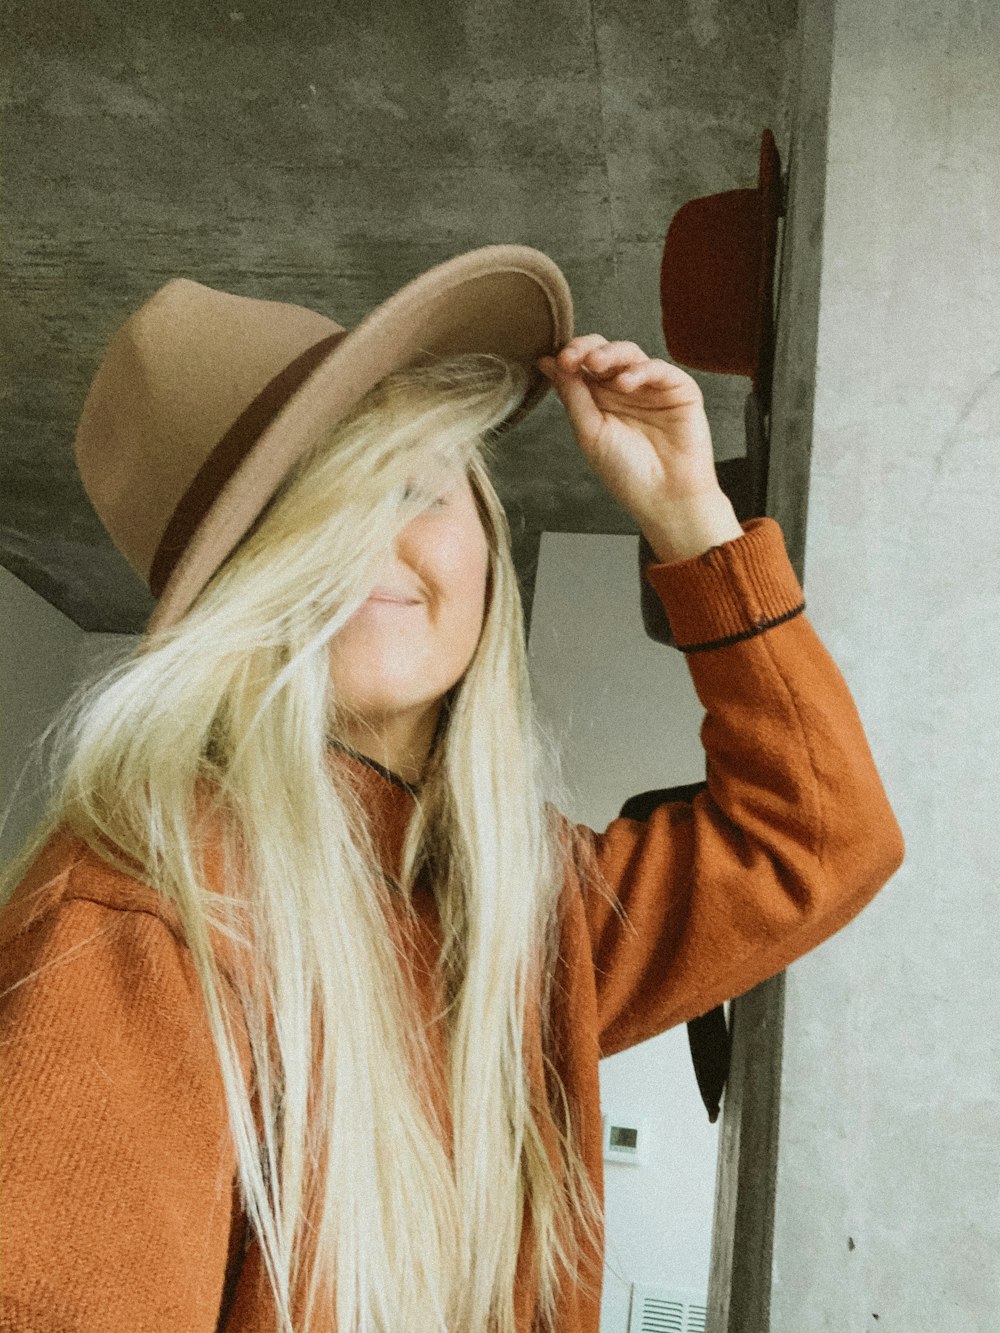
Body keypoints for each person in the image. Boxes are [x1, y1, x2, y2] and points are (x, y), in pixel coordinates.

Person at [0, 275, 905, 1333]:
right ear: (226, 602)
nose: (365, 550)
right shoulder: (141, 924)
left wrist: (692, 521)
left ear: (483, 534)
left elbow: (822, 832)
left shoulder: (519, 903)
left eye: (408, 489)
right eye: (297, 517)